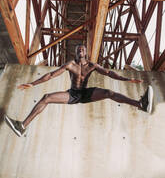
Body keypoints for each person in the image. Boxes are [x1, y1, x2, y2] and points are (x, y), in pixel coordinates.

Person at [5, 45, 153, 137]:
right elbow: (51, 74)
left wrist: (126, 80)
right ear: (75, 52)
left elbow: (108, 73)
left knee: (108, 93)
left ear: (86, 52)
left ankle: (140, 104)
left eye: (83, 49)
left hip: (86, 93)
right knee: (47, 97)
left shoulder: (92, 65)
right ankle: (22, 126)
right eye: (78, 49)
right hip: (73, 94)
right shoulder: (70, 64)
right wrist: (32, 83)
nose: (81, 50)